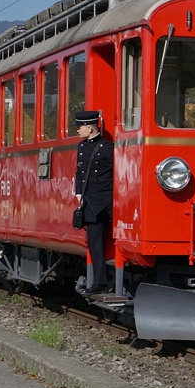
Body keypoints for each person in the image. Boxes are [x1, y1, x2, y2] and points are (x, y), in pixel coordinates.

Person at [73, 109, 113, 295]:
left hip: (108, 199)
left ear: (89, 128)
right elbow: (80, 173)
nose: (77, 131)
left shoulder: (108, 147)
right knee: (95, 243)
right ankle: (99, 281)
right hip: (90, 200)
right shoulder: (82, 147)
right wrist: (79, 194)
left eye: (79, 127)